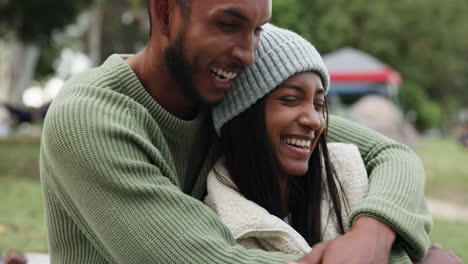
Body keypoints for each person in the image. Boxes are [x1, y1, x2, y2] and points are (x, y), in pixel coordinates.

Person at [40, 0, 432, 263]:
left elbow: (391, 155)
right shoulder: (89, 119)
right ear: (164, 12)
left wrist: (373, 232)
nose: (247, 54)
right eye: (228, 25)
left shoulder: (227, 102)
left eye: (258, 30)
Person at [205, 24, 462, 264]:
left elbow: (398, 156)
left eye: (319, 104)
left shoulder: (348, 174)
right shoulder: (220, 224)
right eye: (290, 99)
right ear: (243, 114)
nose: (314, 121)